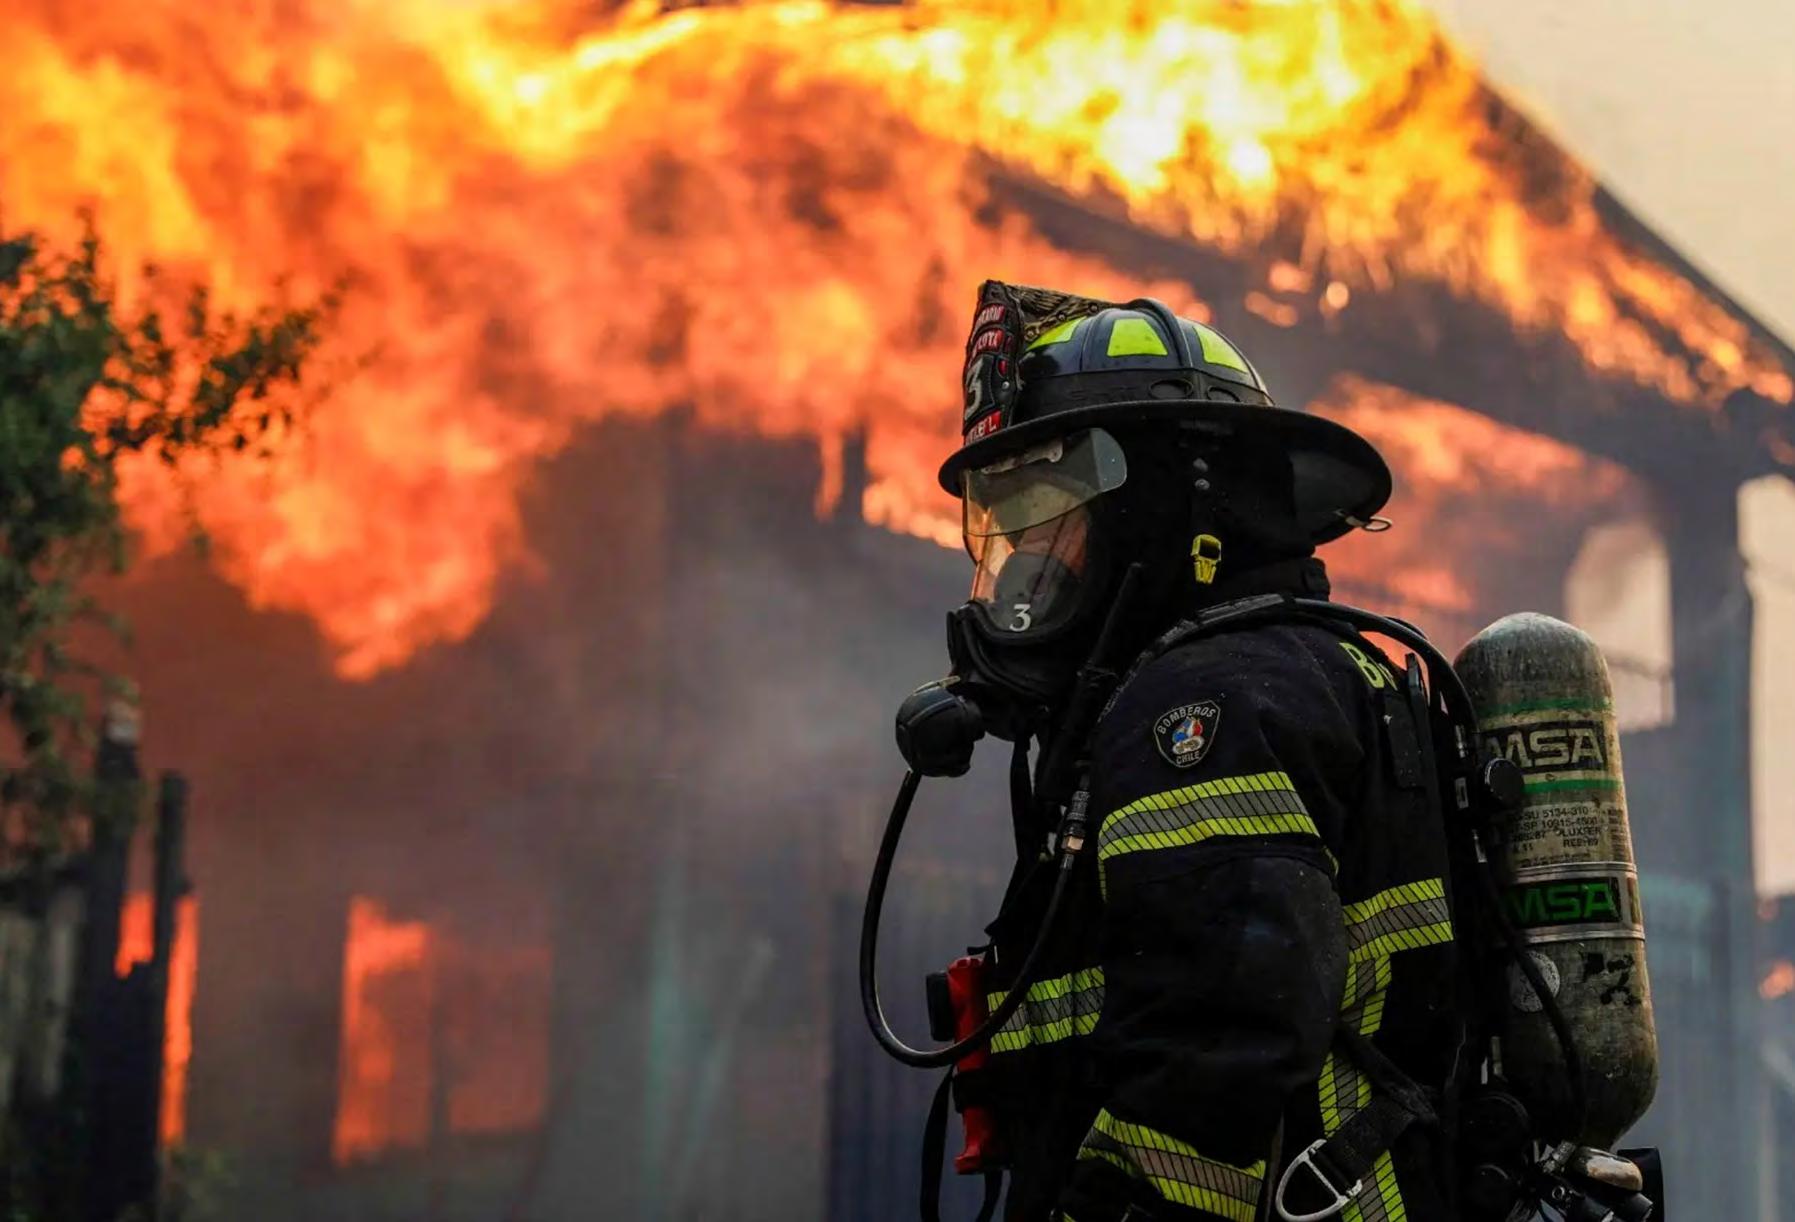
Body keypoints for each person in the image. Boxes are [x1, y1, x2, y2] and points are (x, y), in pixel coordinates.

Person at [937, 281, 1459, 1222]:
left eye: (1050, 516)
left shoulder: (1203, 708)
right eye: (1009, 525)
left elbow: (1215, 1056)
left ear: (1159, 503)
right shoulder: (1305, 672)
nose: (1025, 567)